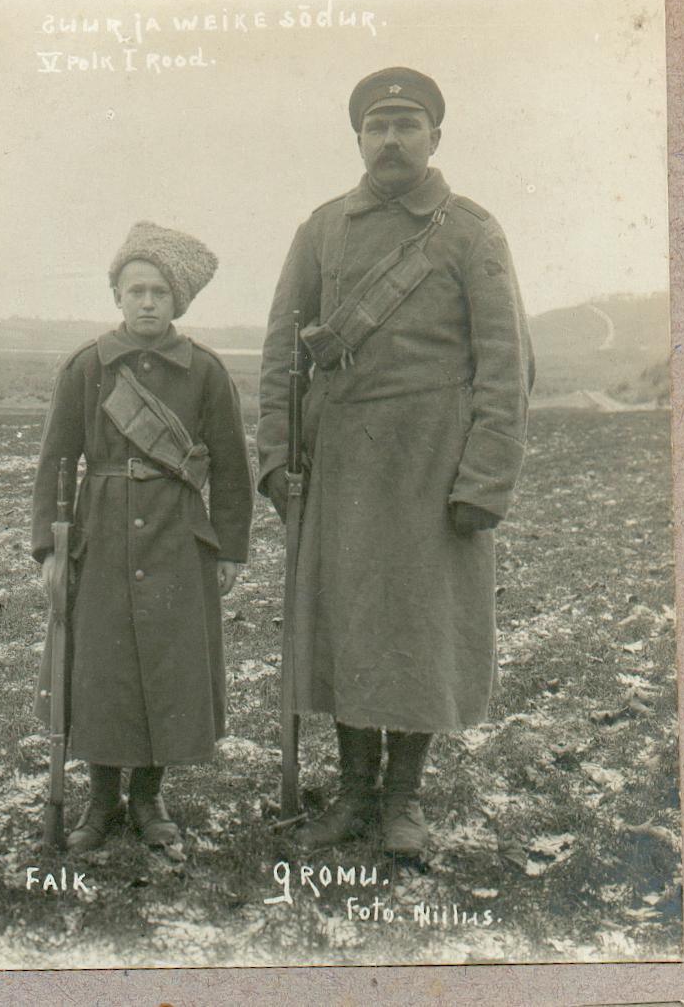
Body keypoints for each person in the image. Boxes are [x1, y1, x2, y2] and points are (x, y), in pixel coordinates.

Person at [258, 67, 534, 855]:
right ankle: (353, 794)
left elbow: (505, 364)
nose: (390, 140)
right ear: (358, 140)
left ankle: (403, 800)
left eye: (406, 126)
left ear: (434, 138)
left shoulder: (472, 231)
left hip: (432, 467)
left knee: (421, 631)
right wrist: (276, 456)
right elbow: (281, 351)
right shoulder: (321, 229)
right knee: (348, 628)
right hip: (341, 466)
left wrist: (484, 480)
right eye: (376, 127)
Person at [32, 222, 254, 853]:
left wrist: (229, 549)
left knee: (167, 666)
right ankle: (101, 801)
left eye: (160, 291)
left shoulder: (206, 371)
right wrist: (49, 549)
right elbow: (55, 461)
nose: (148, 302)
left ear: (177, 300)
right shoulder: (87, 367)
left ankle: (150, 797)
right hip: (98, 537)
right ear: (117, 296)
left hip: (178, 539)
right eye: (136, 290)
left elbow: (232, 469)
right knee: (101, 669)